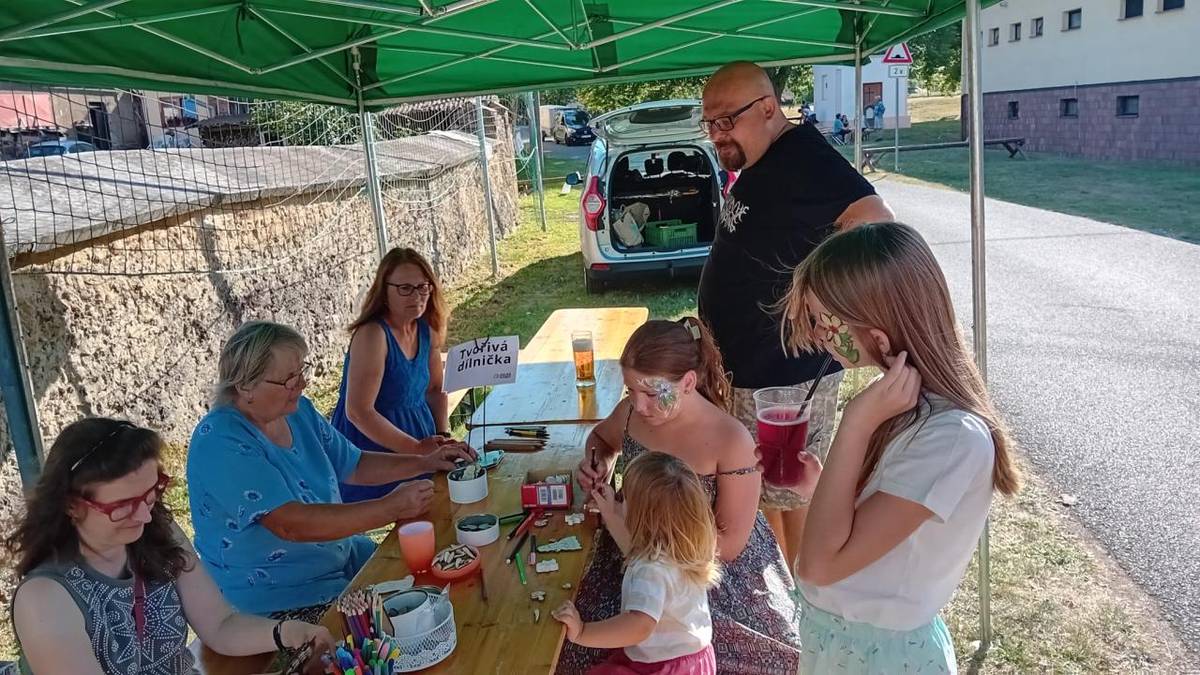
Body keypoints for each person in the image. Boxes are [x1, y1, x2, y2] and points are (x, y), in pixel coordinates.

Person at [774, 222, 1022, 672]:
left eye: (822, 322)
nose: (815, 336)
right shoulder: (901, 407)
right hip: (842, 646)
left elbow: (817, 567)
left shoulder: (951, 439)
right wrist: (822, 488)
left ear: (881, 336)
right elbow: (852, 539)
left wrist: (853, 424)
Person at [697, 61, 895, 569]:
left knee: (792, 494)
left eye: (726, 121)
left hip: (785, 374)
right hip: (753, 370)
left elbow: (875, 226)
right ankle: (792, 596)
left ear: (767, 108)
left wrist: (823, 306)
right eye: (709, 124)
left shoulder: (803, 156)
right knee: (767, 497)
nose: (717, 134)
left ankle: (813, 602)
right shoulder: (764, 163)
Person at [187, 321, 472, 621]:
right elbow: (291, 525)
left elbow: (355, 464)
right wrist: (390, 508)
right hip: (278, 600)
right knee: (406, 625)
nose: (301, 384)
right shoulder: (220, 442)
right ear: (245, 386)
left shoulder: (298, 411)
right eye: (288, 379)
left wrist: (424, 462)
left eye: (301, 372)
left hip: (338, 562)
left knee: (435, 580)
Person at [562, 318, 800, 674]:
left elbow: (731, 544)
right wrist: (596, 463)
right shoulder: (632, 413)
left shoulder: (730, 440)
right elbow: (602, 439)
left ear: (688, 382)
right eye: (631, 391)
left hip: (701, 568)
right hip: (632, 547)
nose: (639, 406)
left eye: (653, 394)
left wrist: (653, 549)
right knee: (572, 649)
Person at [6, 418, 334, 674]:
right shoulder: (45, 599)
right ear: (70, 505)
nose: (145, 513)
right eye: (123, 504)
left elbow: (219, 625)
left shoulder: (154, 530)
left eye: (152, 493)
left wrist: (287, 633)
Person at [552, 451, 720, 675]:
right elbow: (634, 550)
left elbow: (639, 626)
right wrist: (611, 512)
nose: (620, 500)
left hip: (664, 667)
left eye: (624, 498)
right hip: (691, 659)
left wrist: (582, 631)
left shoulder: (651, 571)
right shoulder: (677, 547)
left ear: (642, 517)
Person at [331, 247, 468, 503]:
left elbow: (435, 390)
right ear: (385, 291)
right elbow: (359, 412)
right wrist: (416, 452)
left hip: (417, 435)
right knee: (378, 515)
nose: (416, 295)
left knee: (430, 508)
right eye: (405, 288)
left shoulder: (426, 330)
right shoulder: (373, 335)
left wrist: (442, 438)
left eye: (422, 287)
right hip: (371, 444)